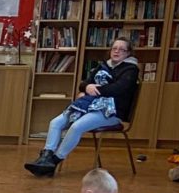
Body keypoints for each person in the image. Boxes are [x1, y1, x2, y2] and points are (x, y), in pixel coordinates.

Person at [25, 38, 139, 177]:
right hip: (89, 106)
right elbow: (83, 84)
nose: (116, 51)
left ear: (128, 53)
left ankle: (54, 162)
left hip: (111, 112)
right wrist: (88, 87)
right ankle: (45, 157)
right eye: (114, 48)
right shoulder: (103, 65)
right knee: (55, 123)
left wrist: (94, 90)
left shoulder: (131, 69)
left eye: (121, 49)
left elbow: (118, 89)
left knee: (76, 126)